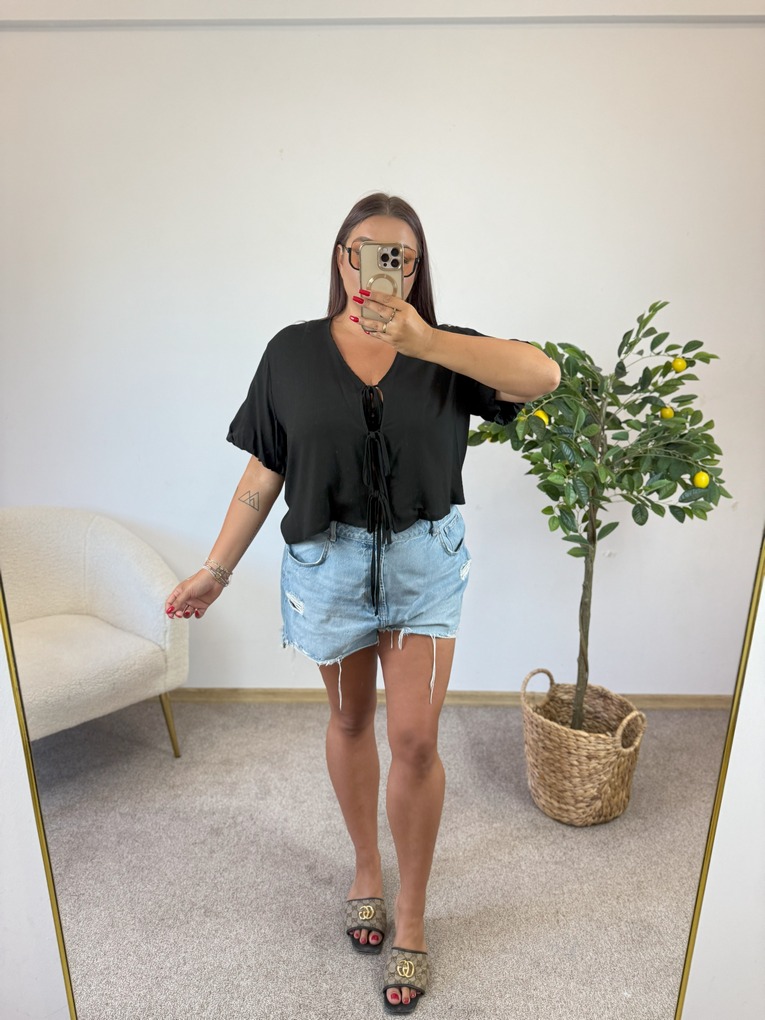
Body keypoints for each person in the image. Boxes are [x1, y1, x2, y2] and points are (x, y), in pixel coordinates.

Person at [165, 193, 560, 1014]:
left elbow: (541, 376)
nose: (379, 267)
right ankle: (366, 870)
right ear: (341, 257)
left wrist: (425, 340)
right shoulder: (291, 352)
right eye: (364, 250)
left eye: (399, 257)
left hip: (423, 566)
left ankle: (411, 914)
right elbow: (264, 470)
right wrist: (215, 570)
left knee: (414, 739)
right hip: (328, 566)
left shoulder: (447, 350)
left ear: (414, 270)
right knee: (349, 722)